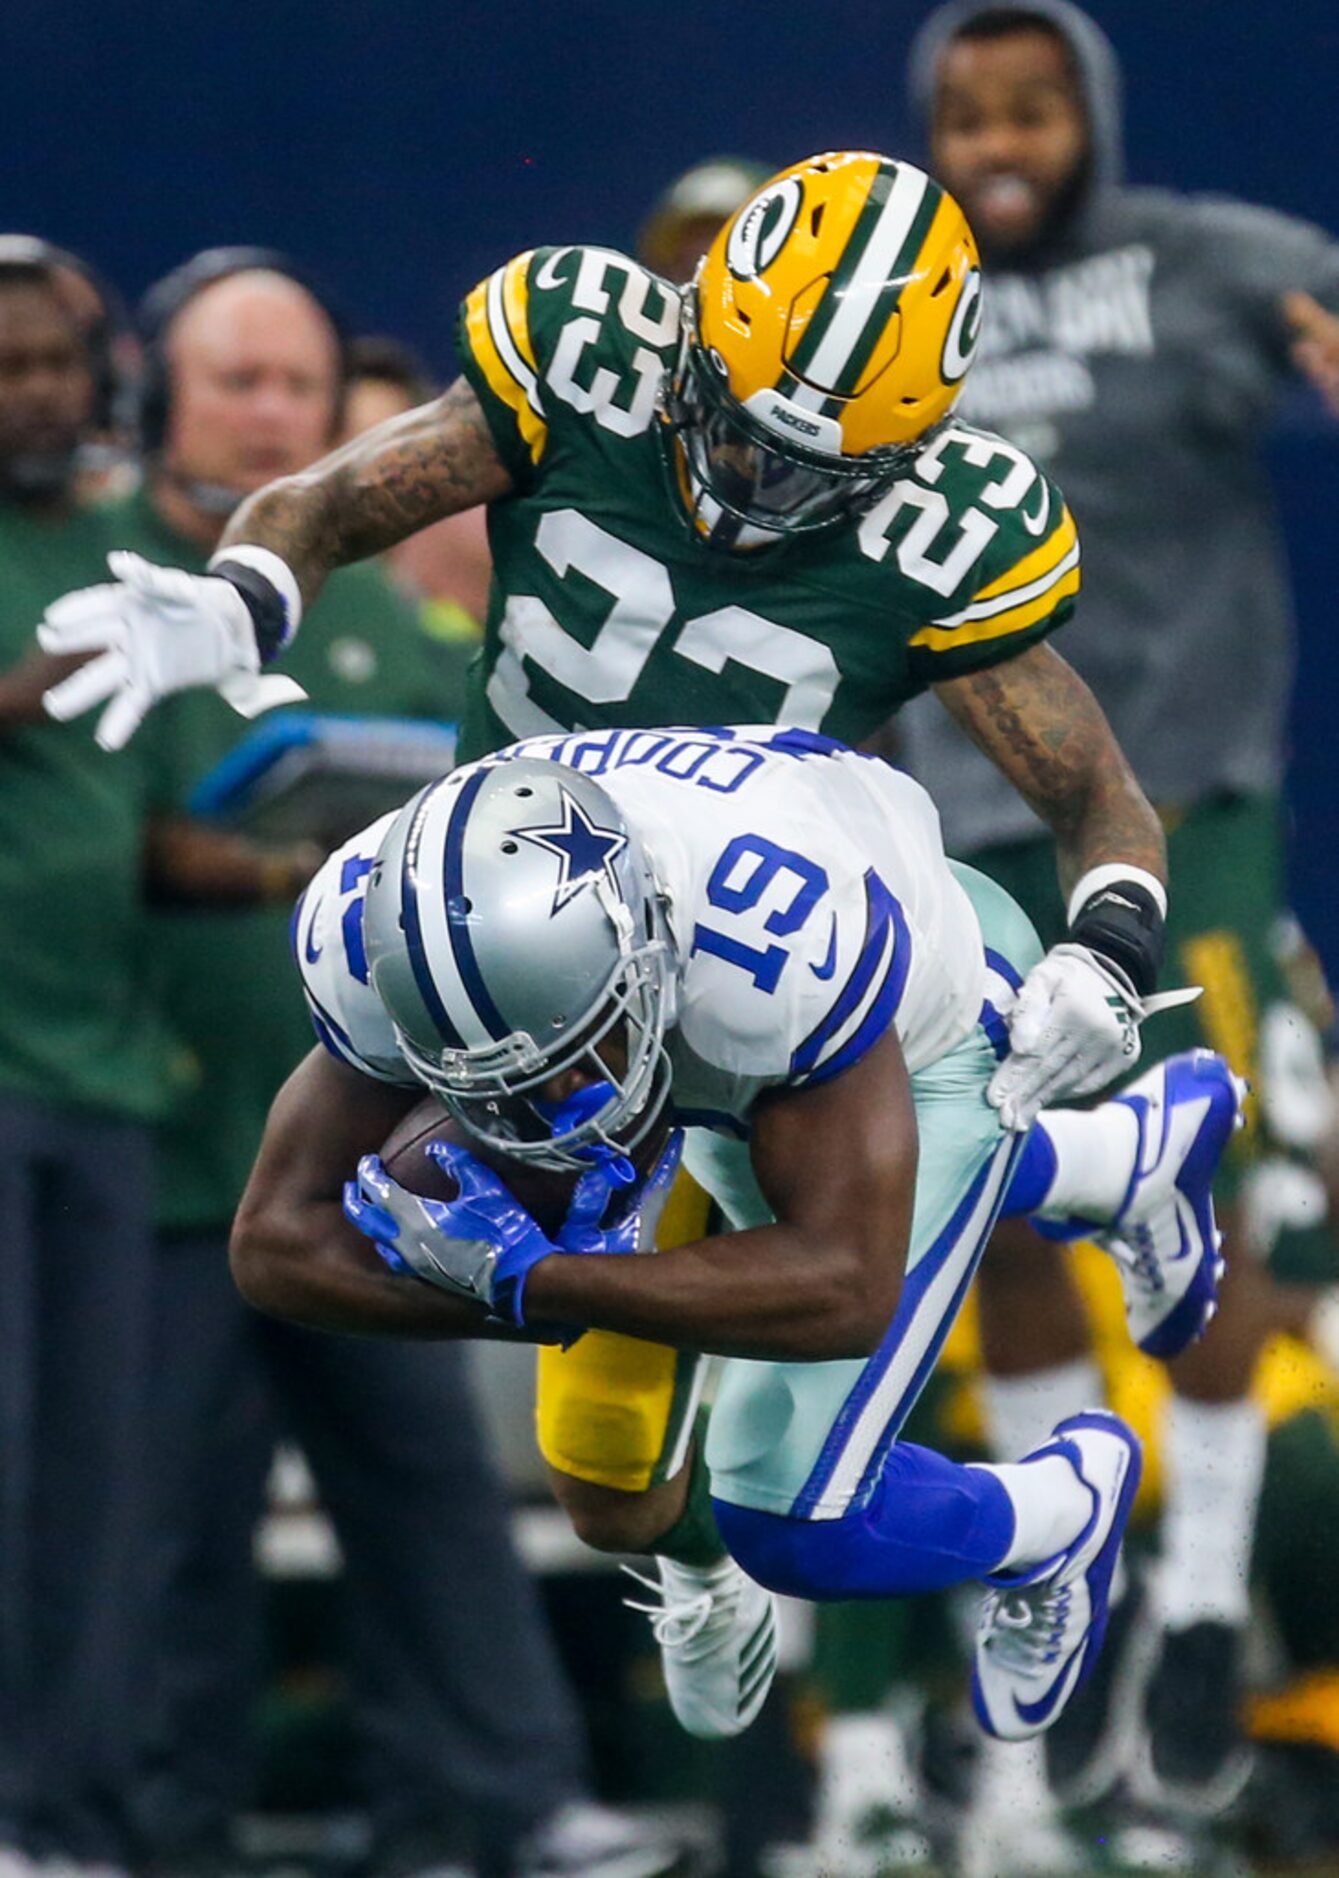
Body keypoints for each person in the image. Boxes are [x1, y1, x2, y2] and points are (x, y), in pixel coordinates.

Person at [39, 149, 1201, 1745]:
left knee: (800, 1311)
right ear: (689, 343)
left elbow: (1090, 798)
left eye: (821, 472)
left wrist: (1104, 955)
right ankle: (1111, 1159)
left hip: (770, 947)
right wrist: (248, 594)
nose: (762, 490)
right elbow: (329, 499)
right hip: (530, 933)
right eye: (738, 430)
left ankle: (1047, 1452)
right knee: (602, 1480)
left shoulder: (917, 611)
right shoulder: (584, 367)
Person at [229, 725, 1243, 1764]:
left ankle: (1055, 1511)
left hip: (922, 1025)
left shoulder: (776, 956)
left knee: (792, 1518)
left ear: (637, 945)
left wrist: (538, 1283)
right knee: (607, 1473)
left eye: (571, 1060)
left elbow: (841, 1287)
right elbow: (271, 1244)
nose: (548, 1110)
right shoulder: (384, 937)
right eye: (490, 1086)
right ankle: (1121, 1158)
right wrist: (519, 1283)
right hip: (719, 1025)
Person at [105, 250, 672, 1878]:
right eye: (239, 382)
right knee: (167, 1524)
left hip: (378, 1146)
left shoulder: (395, 613)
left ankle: (502, 1801)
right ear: (164, 390)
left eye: (294, 385)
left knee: (426, 1489)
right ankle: (163, 1829)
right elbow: (80, 846)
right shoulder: (129, 588)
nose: (273, 411)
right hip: (159, 1132)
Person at [891, 0, 1339, 1833]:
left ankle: (1210, 1594)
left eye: (1030, 106)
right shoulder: (892, 297)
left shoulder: (1203, 257)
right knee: (990, 1198)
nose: (998, 138)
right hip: (961, 810)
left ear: (1094, 116)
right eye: (965, 111)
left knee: (1195, 1178)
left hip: (1180, 808)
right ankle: (1055, 1577)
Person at [0, 241, 171, 1877]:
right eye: (6, 369)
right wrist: (24, 686)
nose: (40, 392)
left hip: (109, 1081)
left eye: (58, 362)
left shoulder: (124, 547)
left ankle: (61, 1822)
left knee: (86, 1494)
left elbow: (172, 816)